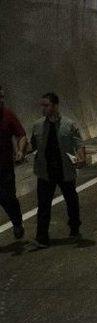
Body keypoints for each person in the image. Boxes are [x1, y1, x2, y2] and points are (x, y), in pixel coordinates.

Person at [30, 93, 84, 248]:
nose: (44, 109)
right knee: (43, 205)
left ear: (55, 106)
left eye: (46, 105)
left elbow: (79, 144)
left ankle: (74, 228)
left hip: (65, 170)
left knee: (71, 201)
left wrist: (81, 157)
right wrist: (21, 150)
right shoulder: (38, 125)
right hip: (45, 171)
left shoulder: (69, 124)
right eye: (43, 105)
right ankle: (42, 237)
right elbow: (32, 145)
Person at [0, 85, 28, 239]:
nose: (1, 100)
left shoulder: (7, 115)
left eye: (2, 97)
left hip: (5, 166)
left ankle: (17, 222)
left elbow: (21, 134)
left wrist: (19, 150)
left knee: (8, 197)